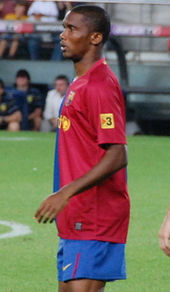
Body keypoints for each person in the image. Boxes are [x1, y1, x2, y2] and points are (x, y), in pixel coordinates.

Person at [35, 5, 130, 292]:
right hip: (77, 216)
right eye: (64, 28)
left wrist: (64, 193)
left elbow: (117, 153)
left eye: (72, 29)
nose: (63, 35)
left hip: (95, 217)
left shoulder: (100, 86)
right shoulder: (80, 82)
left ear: (95, 38)